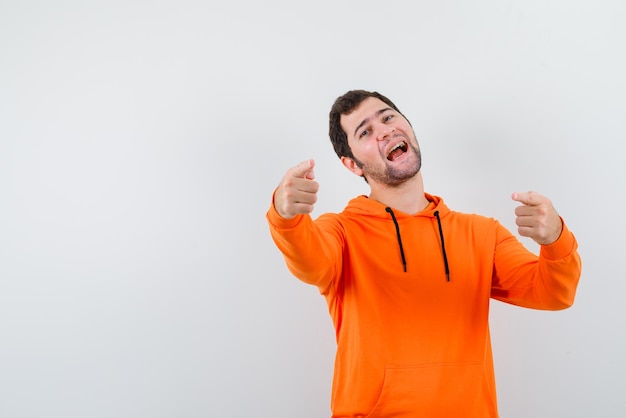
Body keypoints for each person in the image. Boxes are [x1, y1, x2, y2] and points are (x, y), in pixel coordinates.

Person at [266, 89, 582, 417]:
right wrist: (286, 216)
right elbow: (309, 260)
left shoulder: (481, 234)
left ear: (408, 127)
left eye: (388, 117)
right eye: (365, 131)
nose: (384, 130)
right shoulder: (341, 233)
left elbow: (554, 293)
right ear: (352, 164)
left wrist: (554, 237)